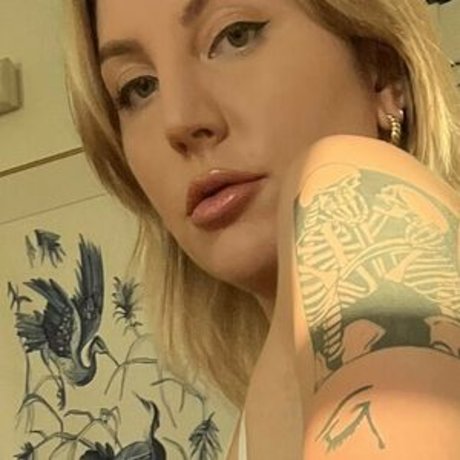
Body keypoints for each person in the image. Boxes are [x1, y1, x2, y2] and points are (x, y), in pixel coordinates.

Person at [64, 0, 460, 458]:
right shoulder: (257, 415)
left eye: (235, 35)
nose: (179, 120)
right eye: (139, 87)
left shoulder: (359, 189)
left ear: (381, 70)